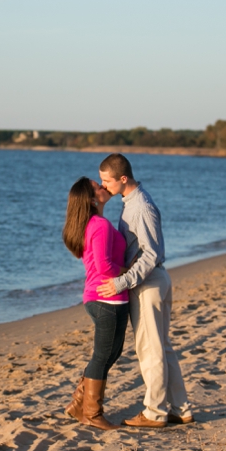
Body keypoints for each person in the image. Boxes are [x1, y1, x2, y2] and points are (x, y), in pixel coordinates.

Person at [96, 153, 193, 428]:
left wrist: (120, 283)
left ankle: (154, 412)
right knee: (162, 348)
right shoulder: (132, 202)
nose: (103, 186)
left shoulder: (141, 206)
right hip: (153, 281)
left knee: (151, 351)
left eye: (107, 181)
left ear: (123, 179)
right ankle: (181, 409)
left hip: (149, 284)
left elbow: (151, 255)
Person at [61, 177, 129, 431]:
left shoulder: (95, 223)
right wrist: (131, 270)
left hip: (105, 298)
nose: (102, 186)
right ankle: (92, 413)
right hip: (105, 299)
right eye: (97, 186)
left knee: (111, 352)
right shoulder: (98, 224)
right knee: (103, 355)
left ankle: (79, 403)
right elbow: (104, 267)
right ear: (91, 199)